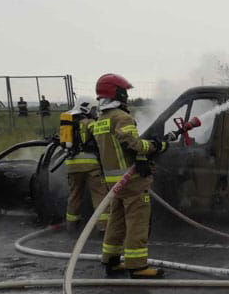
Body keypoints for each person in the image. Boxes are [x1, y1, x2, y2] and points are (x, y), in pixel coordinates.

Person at [91, 73, 167, 279]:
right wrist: (155, 146)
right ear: (117, 92)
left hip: (113, 182)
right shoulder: (121, 117)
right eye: (124, 92)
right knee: (137, 221)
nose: (126, 96)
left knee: (117, 220)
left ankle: (112, 260)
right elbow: (133, 144)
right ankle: (137, 266)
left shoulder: (101, 120)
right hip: (131, 180)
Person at [63, 97, 108, 231]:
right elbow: (101, 136)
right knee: (99, 195)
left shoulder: (68, 123)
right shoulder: (89, 123)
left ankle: (71, 226)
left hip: (72, 164)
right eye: (94, 109)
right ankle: (104, 227)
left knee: (74, 195)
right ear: (86, 108)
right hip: (91, 165)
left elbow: (65, 144)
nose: (95, 112)